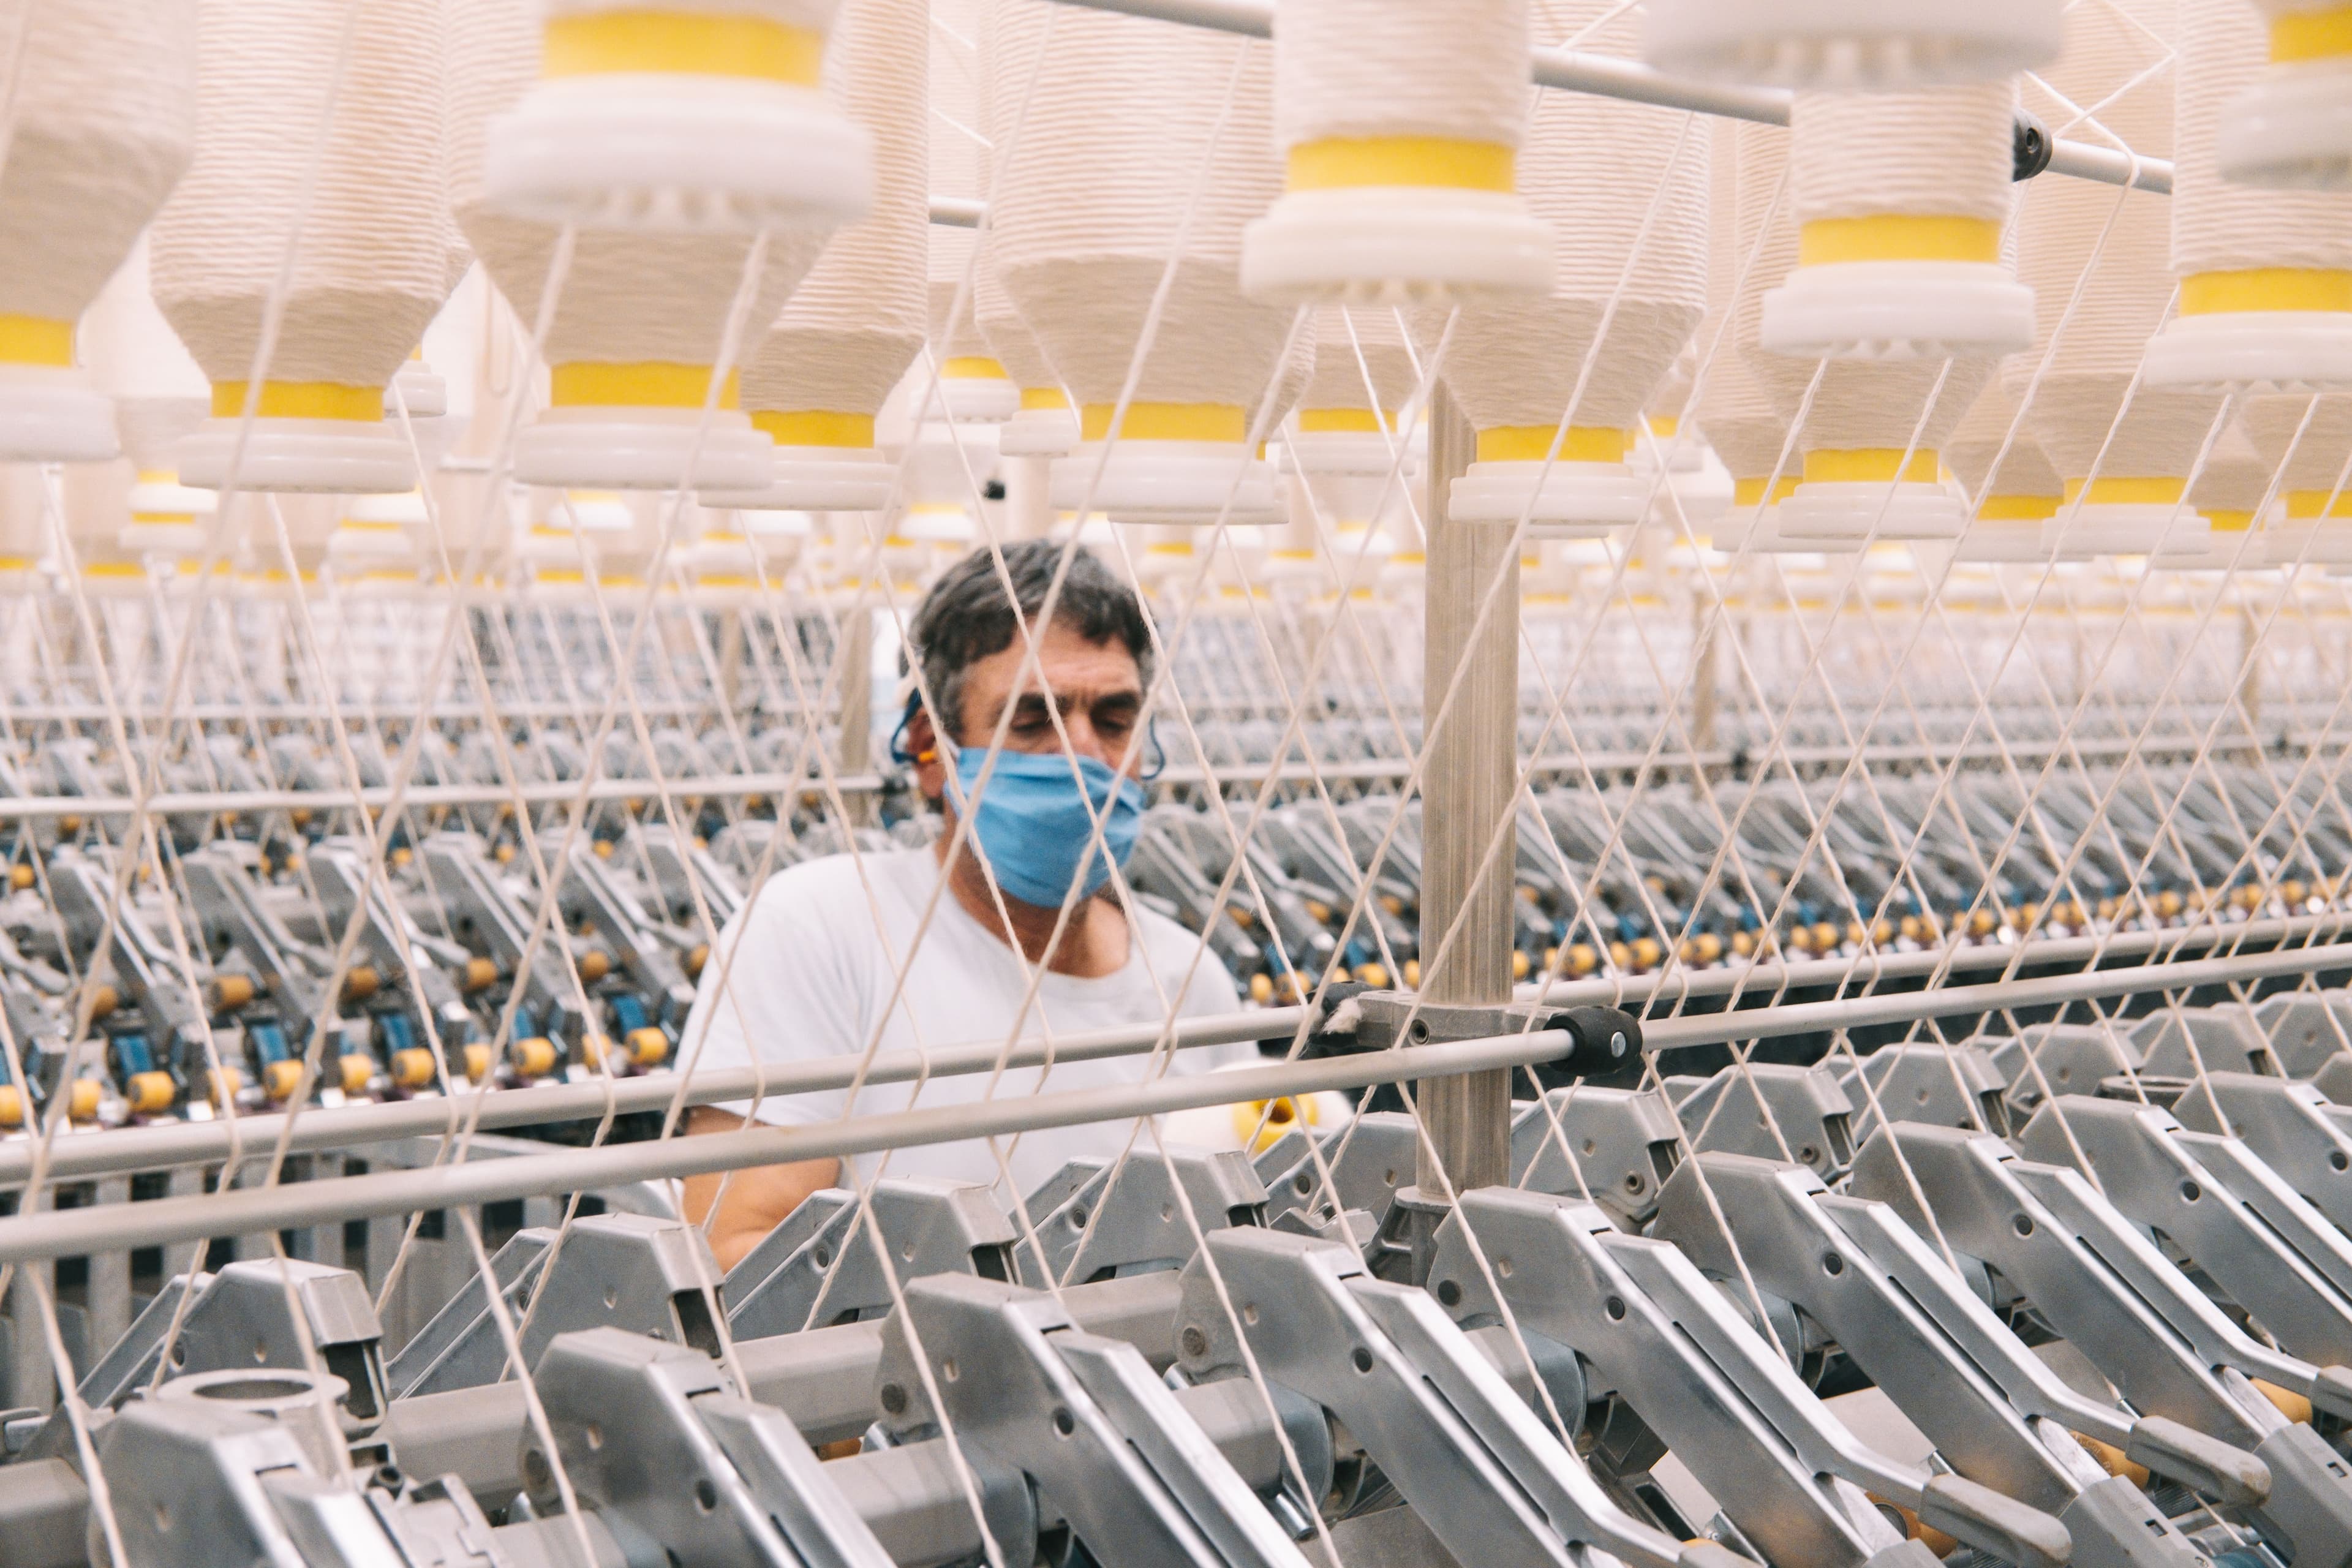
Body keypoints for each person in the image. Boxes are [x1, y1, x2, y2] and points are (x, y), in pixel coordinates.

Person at [678, 539, 1248, 1269]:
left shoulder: (1191, 982)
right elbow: (741, 1254)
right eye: (1032, 718)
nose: (1082, 754)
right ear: (930, 751)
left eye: (1113, 719)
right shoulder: (817, 934)